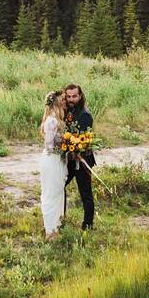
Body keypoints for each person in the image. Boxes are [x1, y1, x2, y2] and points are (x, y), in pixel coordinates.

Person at [64, 84, 95, 230]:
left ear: (80, 96)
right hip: (69, 159)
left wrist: (75, 148)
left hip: (82, 160)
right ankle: (60, 218)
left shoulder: (85, 115)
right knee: (59, 187)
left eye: (74, 96)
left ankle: (88, 225)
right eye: (68, 96)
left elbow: (83, 140)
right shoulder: (66, 111)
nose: (71, 99)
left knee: (85, 193)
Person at [40, 90, 68, 238]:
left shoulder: (56, 119)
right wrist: (66, 142)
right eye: (62, 100)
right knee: (51, 194)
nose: (65, 102)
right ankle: (49, 231)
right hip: (52, 158)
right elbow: (50, 144)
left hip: (57, 158)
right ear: (57, 102)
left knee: (57, 193)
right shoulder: (52, 120)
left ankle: (55, 227)